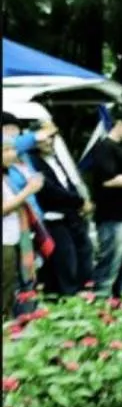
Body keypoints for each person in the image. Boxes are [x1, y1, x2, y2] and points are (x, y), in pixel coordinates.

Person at [14, 115, 91, 297]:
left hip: (72, 214)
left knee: (84, 256)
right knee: (65, 261)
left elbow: (67, 183)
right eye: (46, 137)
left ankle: (81, 292)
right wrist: (79, 201)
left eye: (53, 137)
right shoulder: (31, 160)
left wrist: (80, 200)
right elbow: (49, 190)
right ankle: (66, 296)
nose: (50, 141)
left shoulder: (56, 158)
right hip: (52, 216)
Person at [81, 106, 122, 300]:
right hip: (112, 216)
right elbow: (108, 180)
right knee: (110, 263)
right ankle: (102, 302)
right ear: (121, 124)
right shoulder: (103, 147)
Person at [3, 120, 45, 319]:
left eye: (13, 149)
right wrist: (28, 191)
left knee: (16, 288)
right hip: (4, 241)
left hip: (14, 238)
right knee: (6, 290)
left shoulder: (7, 177)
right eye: (6, 151)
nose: (12, 154)